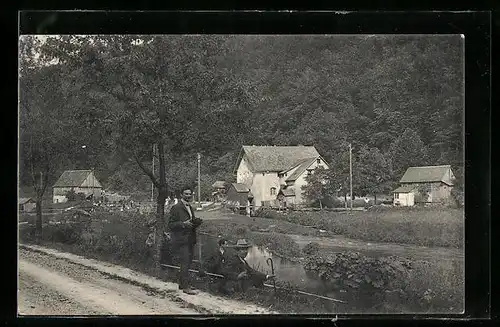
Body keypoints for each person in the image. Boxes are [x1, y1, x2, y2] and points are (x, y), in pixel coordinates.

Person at [167, 187, 203, 295]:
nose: (188, 196)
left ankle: (182, 284)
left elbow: (190, 222)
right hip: (181, 240)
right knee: (185, 262)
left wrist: (195, 222)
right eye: (186, 194)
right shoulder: (176, 207)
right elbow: (171, 224)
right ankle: (186, 287)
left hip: (190, 238)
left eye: (190, 194)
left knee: (188, 262)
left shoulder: (190, 207)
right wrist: (183, 224)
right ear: (181, 195)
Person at [206, 238, 275, 294]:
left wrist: (266, 276)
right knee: (252, 283)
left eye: (246, 250)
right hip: (233, 283)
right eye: (242, 250)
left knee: (257, 280)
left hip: (242, 283)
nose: (245, 252)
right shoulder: (233, 259)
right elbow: (225, 271)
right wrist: (238, 275)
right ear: (238, 251)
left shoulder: (243, 261)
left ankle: (263, 294)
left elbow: (252, 271)